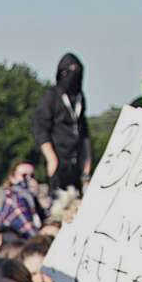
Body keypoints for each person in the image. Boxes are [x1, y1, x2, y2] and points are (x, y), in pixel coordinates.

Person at [30, 53, 92, 193]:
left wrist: (87, 160)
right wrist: (51, 158)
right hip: (58, 156)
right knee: (59, 201)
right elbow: (40, 127)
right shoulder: (52, 96)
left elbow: (84, 130)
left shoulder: (80, 98)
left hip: (76, 160)